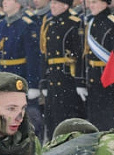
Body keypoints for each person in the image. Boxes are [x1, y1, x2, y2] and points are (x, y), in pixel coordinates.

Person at [0, 0, 43, 137]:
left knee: (27, 118)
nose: (4, 3)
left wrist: (33, 84)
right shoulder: (1, 25)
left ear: (18, 3)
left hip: (21, 76)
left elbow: (33, 57)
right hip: (5, 79)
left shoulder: (26, 25)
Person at [39, 0, 86, 137]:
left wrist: (79, 81)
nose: (52, 6)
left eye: (55, 3)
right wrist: (44, 81)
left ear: (65, 6)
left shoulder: (74, 23)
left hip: (67, 77)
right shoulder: (49, 24)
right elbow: (45, 55)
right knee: (51, 118)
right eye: (52, 3)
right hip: (52, 77)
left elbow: (79, 54)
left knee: (67, 117)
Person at [82, 0, 114, 133]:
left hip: (109, 80)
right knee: (95, 121)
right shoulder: (90, 23)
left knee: (110, 122)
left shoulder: (113, 23)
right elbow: (85, 54)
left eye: (94, 2)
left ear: (105, 3)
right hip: (93, 79)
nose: (90, 6)